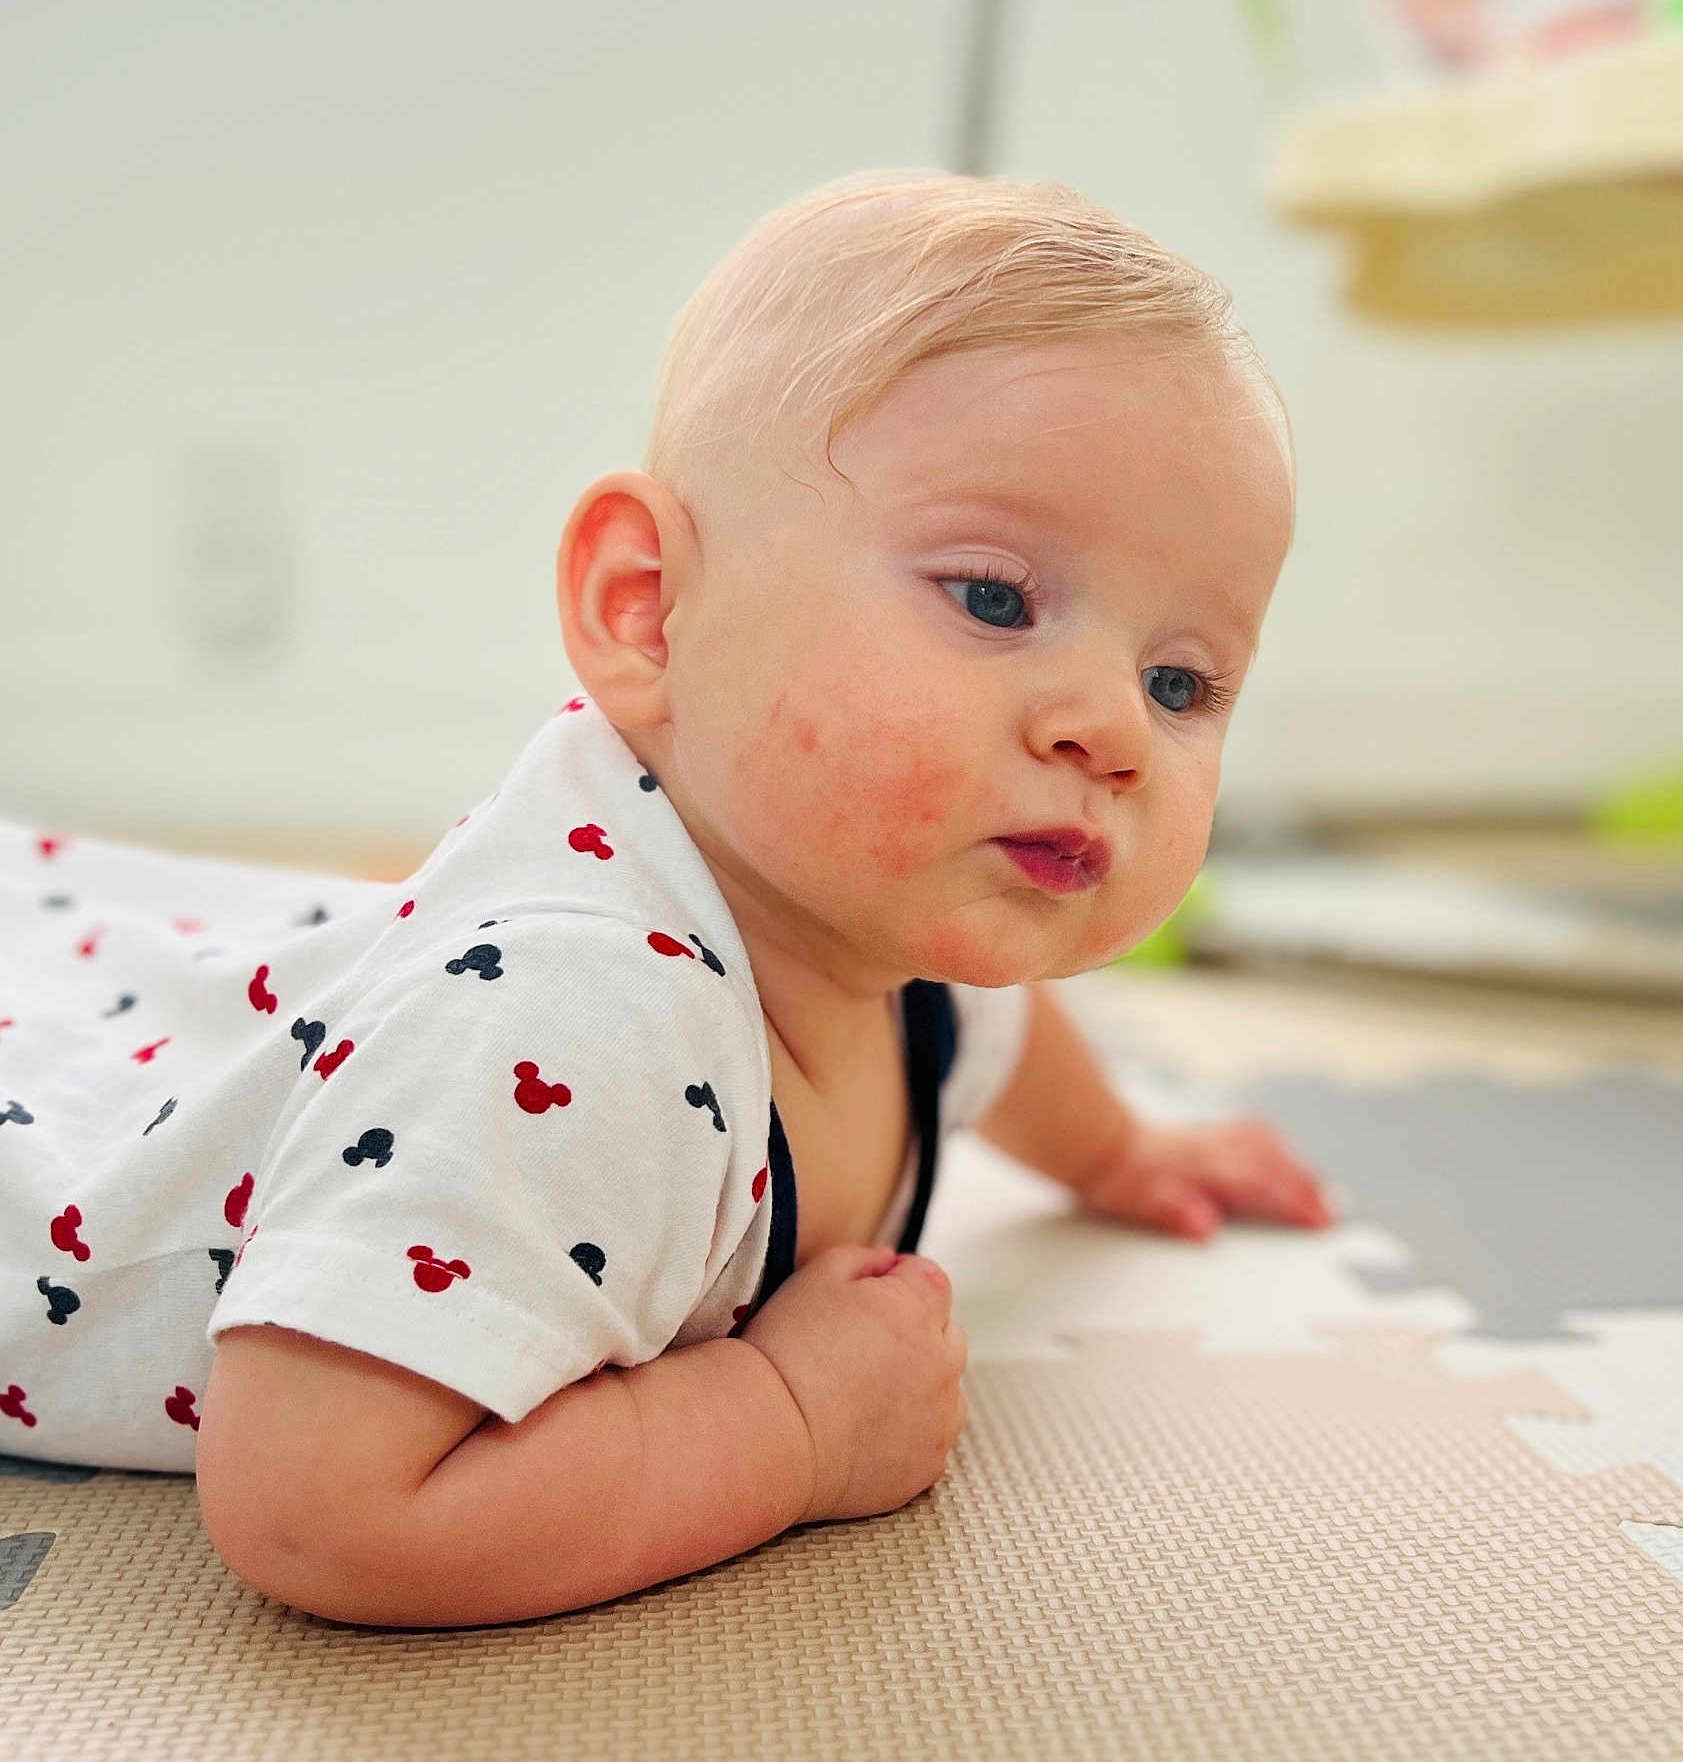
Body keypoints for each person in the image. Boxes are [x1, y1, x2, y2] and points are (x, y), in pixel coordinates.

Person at [0, 170, 1333, 1628]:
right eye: (996, 599)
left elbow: (999, 1039)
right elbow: (317, 1510)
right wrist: (782, 1425)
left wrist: (1122, 1152)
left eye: (1181, 681)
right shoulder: (574, 1023)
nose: (1111, 728)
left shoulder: (886, 938)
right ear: (650, 609)